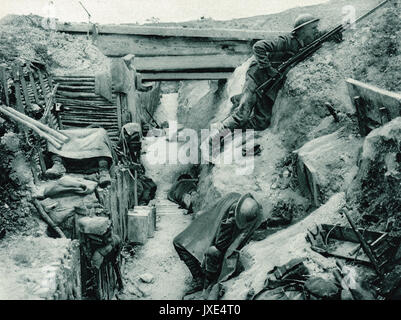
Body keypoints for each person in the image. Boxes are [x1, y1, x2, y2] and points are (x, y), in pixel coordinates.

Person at [212, 14, 341, 132]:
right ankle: (217, 134)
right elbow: (258, 47)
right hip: (257, 77)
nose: (316, 30)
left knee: (261, 123)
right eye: (313, 28)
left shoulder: (308, 41)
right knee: (242, 115)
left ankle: (235, 132)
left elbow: (321, 36)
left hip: (269, 84)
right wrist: (268, 68)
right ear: (302, 31)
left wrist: (333, 35)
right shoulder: (286, 41)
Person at [173, 192, 262, 299]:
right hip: (209, 228)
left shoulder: (246, 214)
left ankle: (200, 280)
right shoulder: (232, 200)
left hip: (218, 242)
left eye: (233, 216)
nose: (231, 217)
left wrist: (227, 224)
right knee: (180, 241)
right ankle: (198, 276)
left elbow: (219, 245)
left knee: (211, 251)